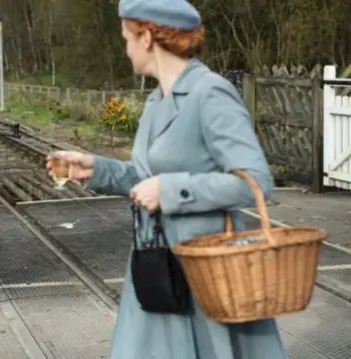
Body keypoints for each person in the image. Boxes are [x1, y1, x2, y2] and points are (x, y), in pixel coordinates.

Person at [46, 0, 288, 358]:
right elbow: (147, 178)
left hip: (207, 273)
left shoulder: (211, 93)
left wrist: (171, 191)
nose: (125, 49)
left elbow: (254, 181)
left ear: (146, 37)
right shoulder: (157, 101)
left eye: (127, 38)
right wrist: (95, 169)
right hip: (158, 265)